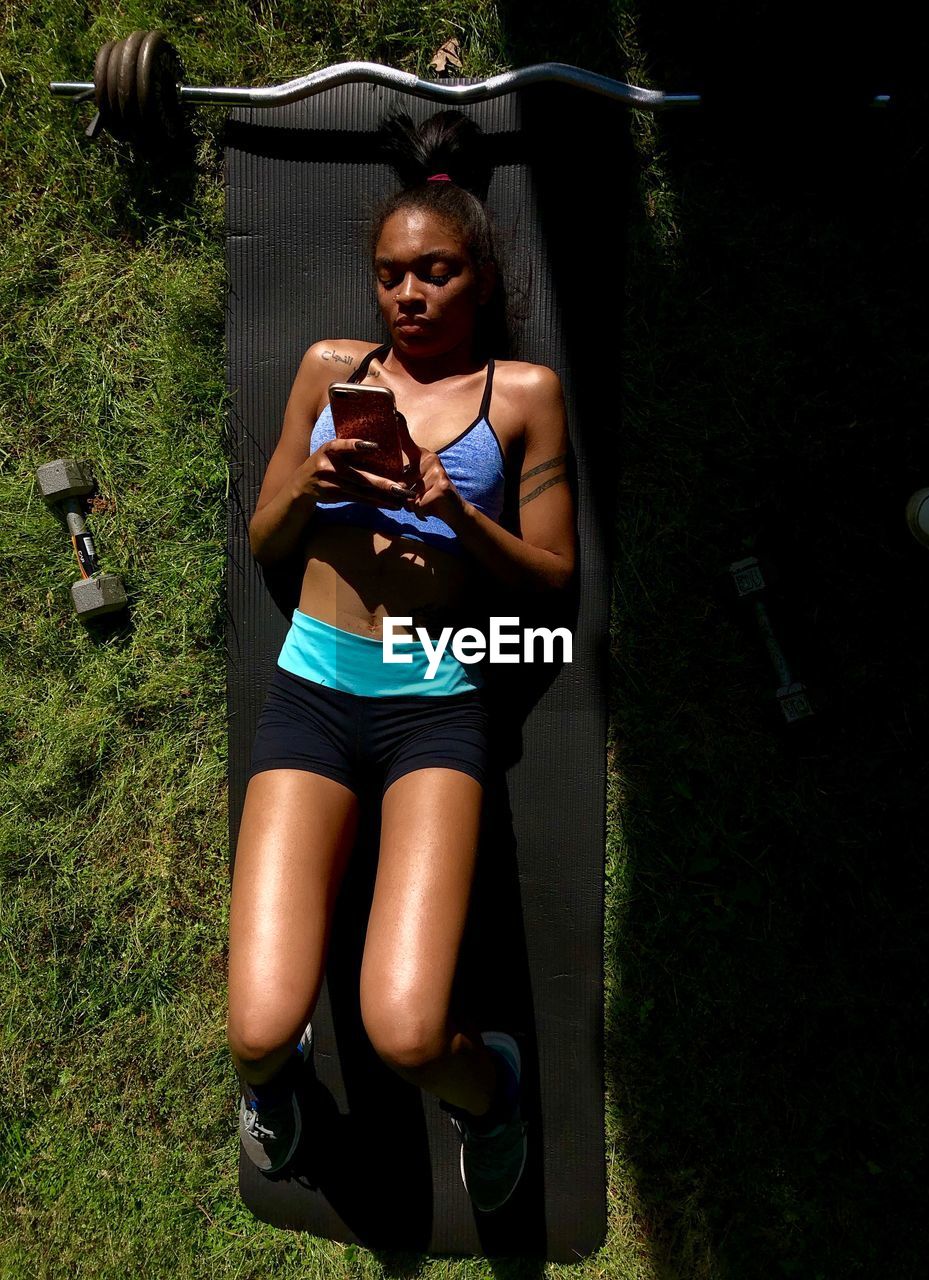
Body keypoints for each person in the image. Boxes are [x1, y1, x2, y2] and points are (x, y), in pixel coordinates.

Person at [226, 109, 576, 1215]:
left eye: (435, 272)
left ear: (481, 275)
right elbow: (267, 539)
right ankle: (275, 1080)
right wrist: (313, 484)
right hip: (313, 692)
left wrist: (452, 512)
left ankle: (494, 1090)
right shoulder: (335, 367)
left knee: (411, 1027)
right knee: (256, 1029)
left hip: (435, 701)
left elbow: (552, 580)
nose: (409, 296)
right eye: (391, 276)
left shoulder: (522, 397)